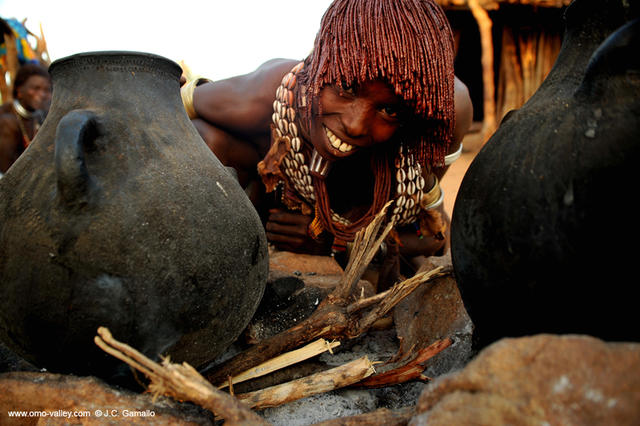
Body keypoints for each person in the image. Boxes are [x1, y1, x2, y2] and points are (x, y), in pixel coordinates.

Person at [183, 0, 473, 287]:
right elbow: (169, 104)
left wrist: (336, 243)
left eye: (390, 110)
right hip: (280, 214)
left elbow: (434, 237)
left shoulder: (439, 115)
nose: (355, 124)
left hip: (381, 230)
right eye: (346, 88)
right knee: (205, 139)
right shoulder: (267, 94)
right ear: (317, 63)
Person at [0, 63, 51, 175]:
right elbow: (7, 173)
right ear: (19, 92)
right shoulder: (7, 121)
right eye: (35, 88)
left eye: (47, 90)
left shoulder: (41, 116)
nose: (42, 94)